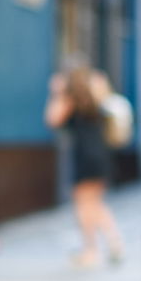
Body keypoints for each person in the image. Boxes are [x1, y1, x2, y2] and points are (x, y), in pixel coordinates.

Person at [45, 66, 124, 268]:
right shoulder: (95, 96)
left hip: (84, 156)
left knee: (83, 204)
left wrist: (57, 92)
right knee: (95, 202)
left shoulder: (70, 100)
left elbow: (52, 119)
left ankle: (91, 250)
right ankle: (114, 241)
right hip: (101, 154)